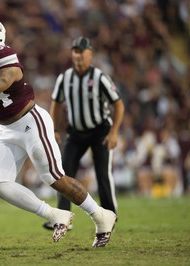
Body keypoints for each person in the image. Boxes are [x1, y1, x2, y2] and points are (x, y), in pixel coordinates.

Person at [0, 16, 117, 247]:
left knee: (52, 176)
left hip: (30, 122)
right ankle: (54, 214)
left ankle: (101, 216)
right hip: (5, 128)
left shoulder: (3, 55)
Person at [44, 36, 125, 230]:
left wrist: (114, 133)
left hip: (100, 131)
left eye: (81, 51)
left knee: (102, 174)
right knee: (62, 173)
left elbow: (118, 105)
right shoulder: (65, 78)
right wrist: (53, 128)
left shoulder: (100, 77)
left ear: (90, 54)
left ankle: (109, 216)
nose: (78, 55)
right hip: (76, 133)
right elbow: (55, 103)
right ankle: (63, 218)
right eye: (75, 51)